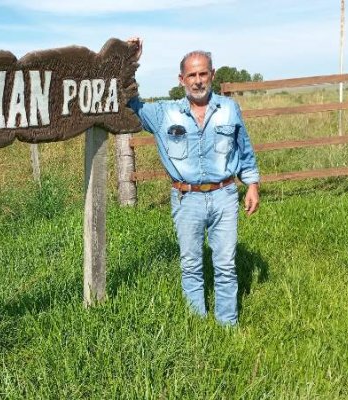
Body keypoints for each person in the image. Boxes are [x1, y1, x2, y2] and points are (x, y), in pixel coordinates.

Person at [127, 38, 260, 326]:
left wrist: (251, 184)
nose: (198, 81)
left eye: (203, 74)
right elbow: (130, 102)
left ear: (212, 75)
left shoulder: (229, 109)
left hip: (225, 195)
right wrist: (130, 61)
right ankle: (197, 328)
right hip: (186, 199)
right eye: (192, 75)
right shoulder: (164, 113)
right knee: (191, 265)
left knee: (225, 265)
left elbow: (244, 148)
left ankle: (228, 326)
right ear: (181, 79)